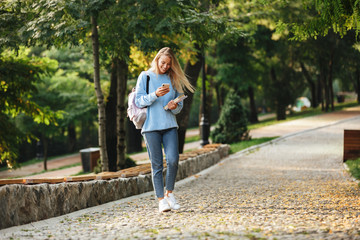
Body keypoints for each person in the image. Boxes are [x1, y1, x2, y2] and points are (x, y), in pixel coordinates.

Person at [135, 47, 195, 213]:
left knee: (173, 160)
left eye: (169, 64)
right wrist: (155, 94)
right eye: (163, 63)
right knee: (156, 165)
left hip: (169, 125)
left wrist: (173, 106)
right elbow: (139, 101)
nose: (165, 67)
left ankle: (169, 193)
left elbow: (179, 106)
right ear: (156, 60)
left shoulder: (173, 78)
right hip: (150, 128)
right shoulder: (145, 76)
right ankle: (161, 200)